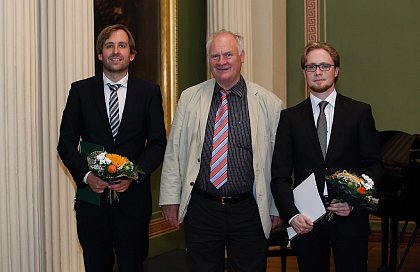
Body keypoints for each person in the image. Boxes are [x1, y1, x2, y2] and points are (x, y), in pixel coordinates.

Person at [159, 29, 283, 272]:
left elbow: (279, 162)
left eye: (228, 55)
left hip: (249, 209)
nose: (222, 62)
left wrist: (275, 207)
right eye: (215, 56)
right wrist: (170, 198)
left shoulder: (269, 102)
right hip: (202, 207)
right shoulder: (189, 97)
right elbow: (174, 151)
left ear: (242, 56)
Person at [57, 24, 166, 272]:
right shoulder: (80, 91)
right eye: (109, 45)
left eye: (122, 45)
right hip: (92, 204)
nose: (115, 51)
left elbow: (158, 144)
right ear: (100, 54)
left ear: (131, 54)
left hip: (133, 204)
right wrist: (86, 176)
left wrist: (132, 174)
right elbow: (65, 143)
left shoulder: (149, 93)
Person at [271, 42, 383, 272]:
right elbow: (279, 176)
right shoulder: (289, 118)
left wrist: (354, 200)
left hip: (350, 218)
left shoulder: (359, 112)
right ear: (304, 73)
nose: (318, 72)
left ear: (336, 70)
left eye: (324, 65)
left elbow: (373, 166)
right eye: (311, 67)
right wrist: (291, 215)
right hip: (307, 221)